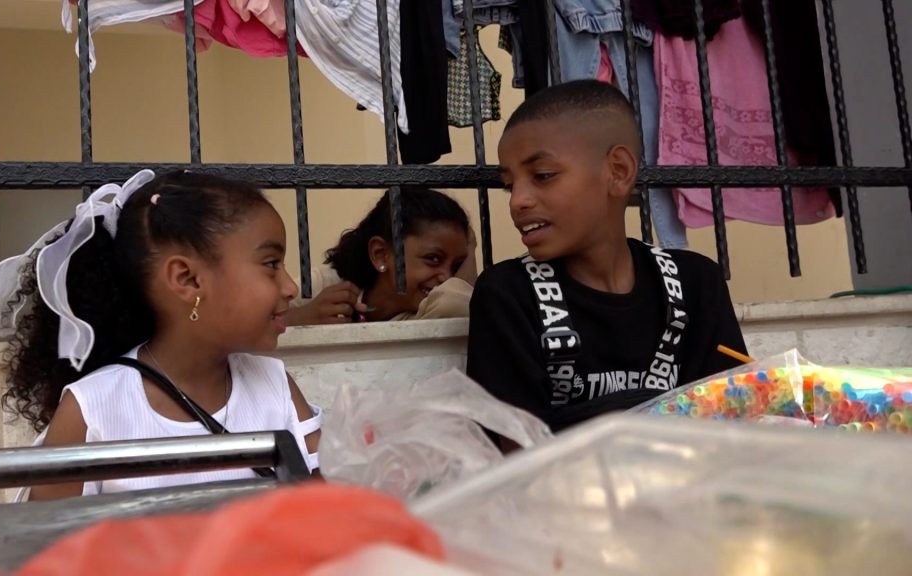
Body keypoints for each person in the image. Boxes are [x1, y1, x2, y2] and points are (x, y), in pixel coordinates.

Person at [0, 169, 321, 500]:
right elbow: (47, 535)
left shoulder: (275, 387)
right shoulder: (92, 410)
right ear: (187, 279)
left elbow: (328, 509)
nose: (291, 287)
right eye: (271, 264)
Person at [466, 80, 747, 442]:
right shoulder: (508, 295)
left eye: (542, 176)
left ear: (618, 171)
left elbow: (738, 419)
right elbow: (512, 450)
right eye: (509, 184)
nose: (518, 200)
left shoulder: (696, 283)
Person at [286, 187, 477, 325]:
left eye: (457, 266)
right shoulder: (325, 284)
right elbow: (268, 316)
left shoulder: (428, 312)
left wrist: (470, 247)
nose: (447, 278)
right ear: (381, 254)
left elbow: (459, 301)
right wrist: (302, 317)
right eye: (433, 259)